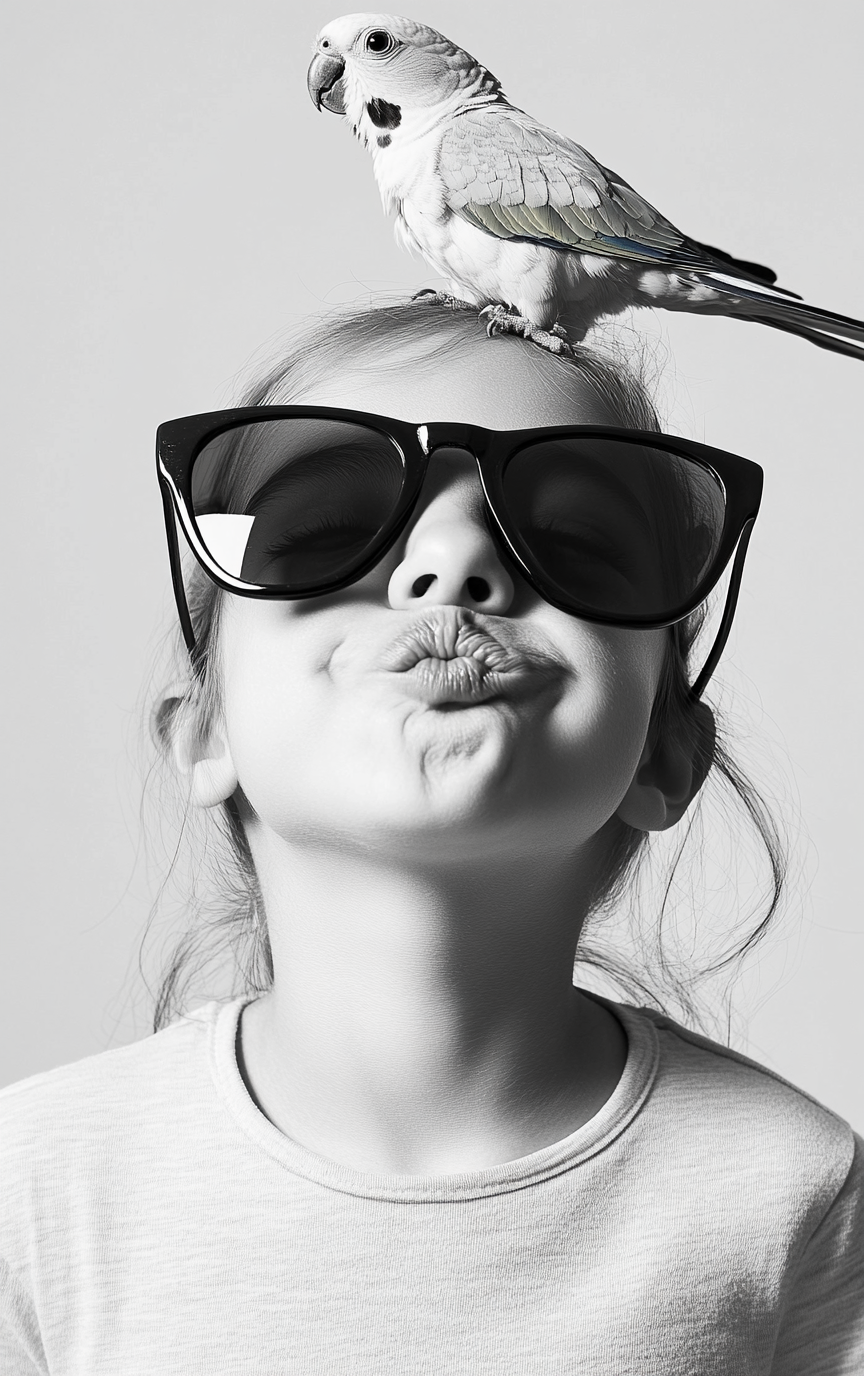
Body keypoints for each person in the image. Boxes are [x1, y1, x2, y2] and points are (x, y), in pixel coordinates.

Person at [1, 300, 861, 1372]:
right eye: (322, 534)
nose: (450, 565)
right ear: (205, 727)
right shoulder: (33, 1190)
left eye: (574, 544)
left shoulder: (796, 1195)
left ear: (662, 752)